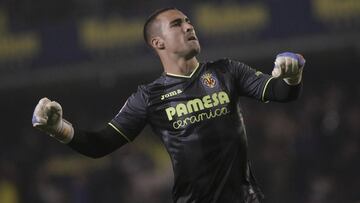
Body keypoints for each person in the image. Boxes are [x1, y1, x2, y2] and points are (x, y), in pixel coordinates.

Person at [32, 7, 305, 203]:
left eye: (188, 21)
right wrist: (58, 128)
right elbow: (99, 144)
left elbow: (281, 92)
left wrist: (293, 76)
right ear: (157, 42)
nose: (189, 26)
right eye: (177, 24)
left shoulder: (227, 71)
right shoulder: (148, 97)